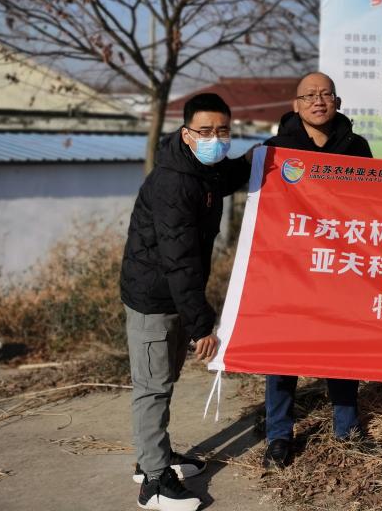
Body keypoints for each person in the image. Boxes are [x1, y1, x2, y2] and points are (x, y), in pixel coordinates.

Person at [120, 92, 253, 511]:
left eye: (223, 131)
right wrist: (201, 326)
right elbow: (178, 260)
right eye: (205, 131)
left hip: (173, 294)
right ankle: (153, 482)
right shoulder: (173, 183)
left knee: (164, 378)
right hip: (154, 299)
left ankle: (154, 456)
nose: (215, 138)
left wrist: (267, 152)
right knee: (152, 387)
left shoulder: (200, 169)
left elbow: (228, 175)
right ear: (186, 133)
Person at [260, 71, 373, 470]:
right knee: (282, 350)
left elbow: (373, 200)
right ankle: (279, 435)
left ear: (337, 102)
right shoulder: (275, 150)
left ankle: (347, 428)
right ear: (296, 105)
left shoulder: (356, 146)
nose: (318, 101)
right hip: (289, 266)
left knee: (340, 345)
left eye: (326, 94)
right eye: (309, 95)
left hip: (339, 264)